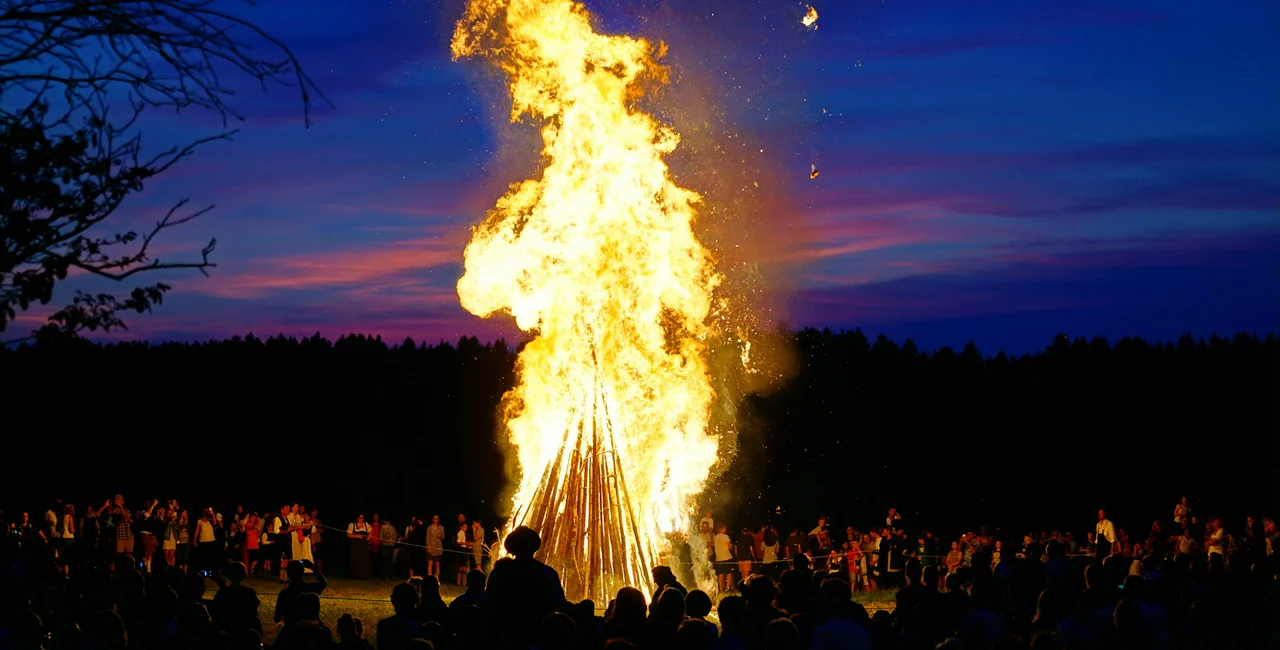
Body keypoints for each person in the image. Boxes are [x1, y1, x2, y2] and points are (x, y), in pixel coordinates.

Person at [483, 525, 565, 649]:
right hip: (536, 635)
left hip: (505, 635)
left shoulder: (499, 573)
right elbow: (558, 605)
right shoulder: (547, 573)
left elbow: (489, 604)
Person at [274, 559, 328, 628]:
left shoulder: (284, 594)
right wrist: (313, 568)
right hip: (310, 629)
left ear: (288, 573)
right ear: (302, 572)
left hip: (291, 632)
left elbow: (277, 618)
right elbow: (323, 583)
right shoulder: (309, 589)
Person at [347, 514, 373, 578]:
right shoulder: (352, 525)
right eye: (360, 517)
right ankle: (356, 575)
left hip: (364, 545)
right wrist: (357, 536)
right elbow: (348, 535)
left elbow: (371, 531)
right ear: (357, 518)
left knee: (364, 558)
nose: (361, 519)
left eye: (362, 517)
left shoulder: (366, 524)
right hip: (355, 546)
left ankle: (365, 575)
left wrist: (368, 538)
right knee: (356, 559)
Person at [713, 524, 733, 592]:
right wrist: (731, 545)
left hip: (719, 558)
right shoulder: (725, 536)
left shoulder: (715, 537)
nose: (725, 530)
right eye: (724, 528)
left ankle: (721, 589)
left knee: (720, 574)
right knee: (729, 573)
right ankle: (727, 588)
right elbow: (729, 547)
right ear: (721, 529)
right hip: (727, 557)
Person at [425, 514, 445, 578]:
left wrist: (440, 536)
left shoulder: (441, 527)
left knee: (437, 564)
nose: (436, 520)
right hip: (430, 548)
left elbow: (443, 537)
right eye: (435, 518)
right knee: (430, 564)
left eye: (437, 518)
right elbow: (427, 538)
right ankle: (429, 579)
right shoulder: (429, 527)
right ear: (432, 519)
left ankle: (436, 579)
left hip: (438, 548)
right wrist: (428, 547)